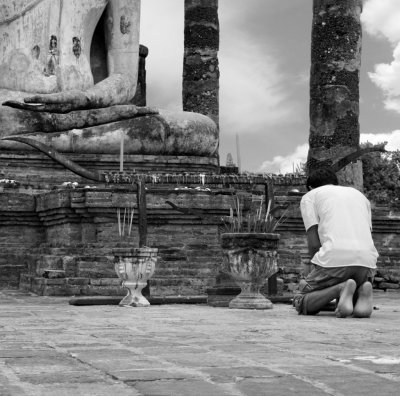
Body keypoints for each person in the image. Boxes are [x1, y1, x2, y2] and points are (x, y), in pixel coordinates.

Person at [293, 167, 378, 318]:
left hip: (334, 258)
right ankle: (362, 290)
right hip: (366, 263)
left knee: (300, 300)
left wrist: (318, 271)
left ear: (311, 187)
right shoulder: (360, 196)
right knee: (351, 285)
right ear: (335, 183)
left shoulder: (310, 196)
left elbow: (313, 241)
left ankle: (341, 288)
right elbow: (367, 233)